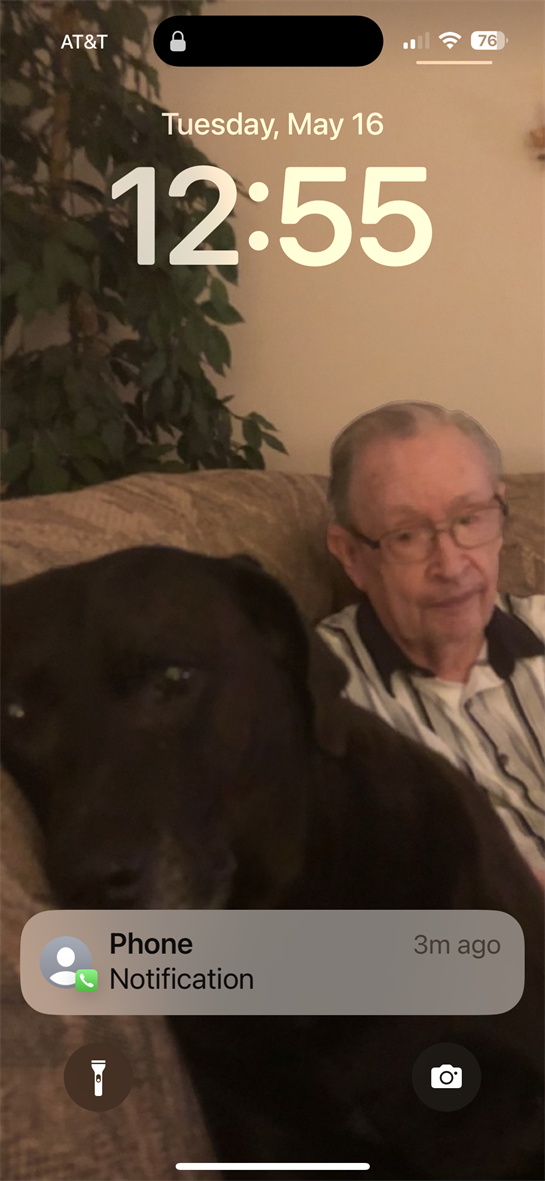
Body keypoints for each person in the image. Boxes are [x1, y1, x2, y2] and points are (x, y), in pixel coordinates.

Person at [319, 402, 545, 879]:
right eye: (408, 535)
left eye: (470, 519)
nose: (451, 565)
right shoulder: (313, 694)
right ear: (351, 555)